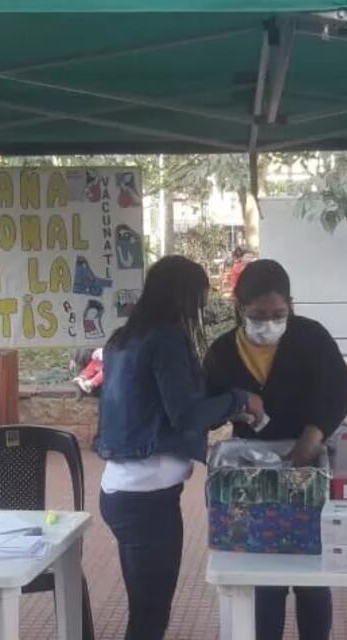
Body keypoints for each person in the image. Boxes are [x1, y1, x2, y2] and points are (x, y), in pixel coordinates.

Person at [94, 255, 264, 640]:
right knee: (150, 616)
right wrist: (241, 400)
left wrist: (220, 403)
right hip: (145, 500)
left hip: (124, 492)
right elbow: (185, 413)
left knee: (146, 610)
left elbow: (163, 403)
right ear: (183, 297)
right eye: (198, 299)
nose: (200, 309)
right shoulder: (166, 338)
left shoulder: (125, 338)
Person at [204, 259, 347, 640]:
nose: (268, 323)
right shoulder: (222, 352)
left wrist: (314, 435)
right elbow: (205, 408)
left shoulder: (311, 337)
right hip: (253, 476)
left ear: (291, 305)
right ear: (239, 308)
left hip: (310, 466)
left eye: (278, 314)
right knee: (263, 576)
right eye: (258, 315)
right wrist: (233, 405)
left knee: (312, 576)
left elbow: (341, 390)